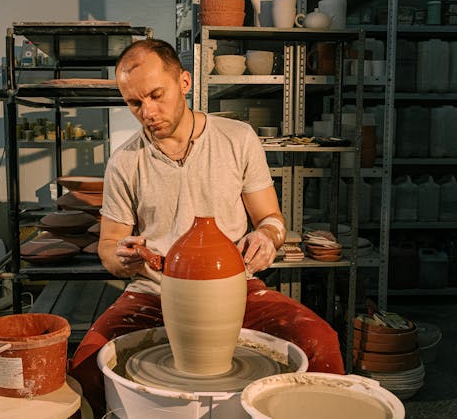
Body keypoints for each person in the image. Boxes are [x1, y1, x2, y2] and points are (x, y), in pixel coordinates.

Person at [68, 39, 344, 415]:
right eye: (134, 103)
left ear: (184, 82)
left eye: (156, 95)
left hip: (234, 289)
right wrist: (122, 258)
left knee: (319, 340)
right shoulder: (125, 161)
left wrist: (266, 236)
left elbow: (272, 219)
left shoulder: (237, 138)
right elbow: (108, 247)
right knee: (86, 361)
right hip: (154, 292)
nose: (148, 112)